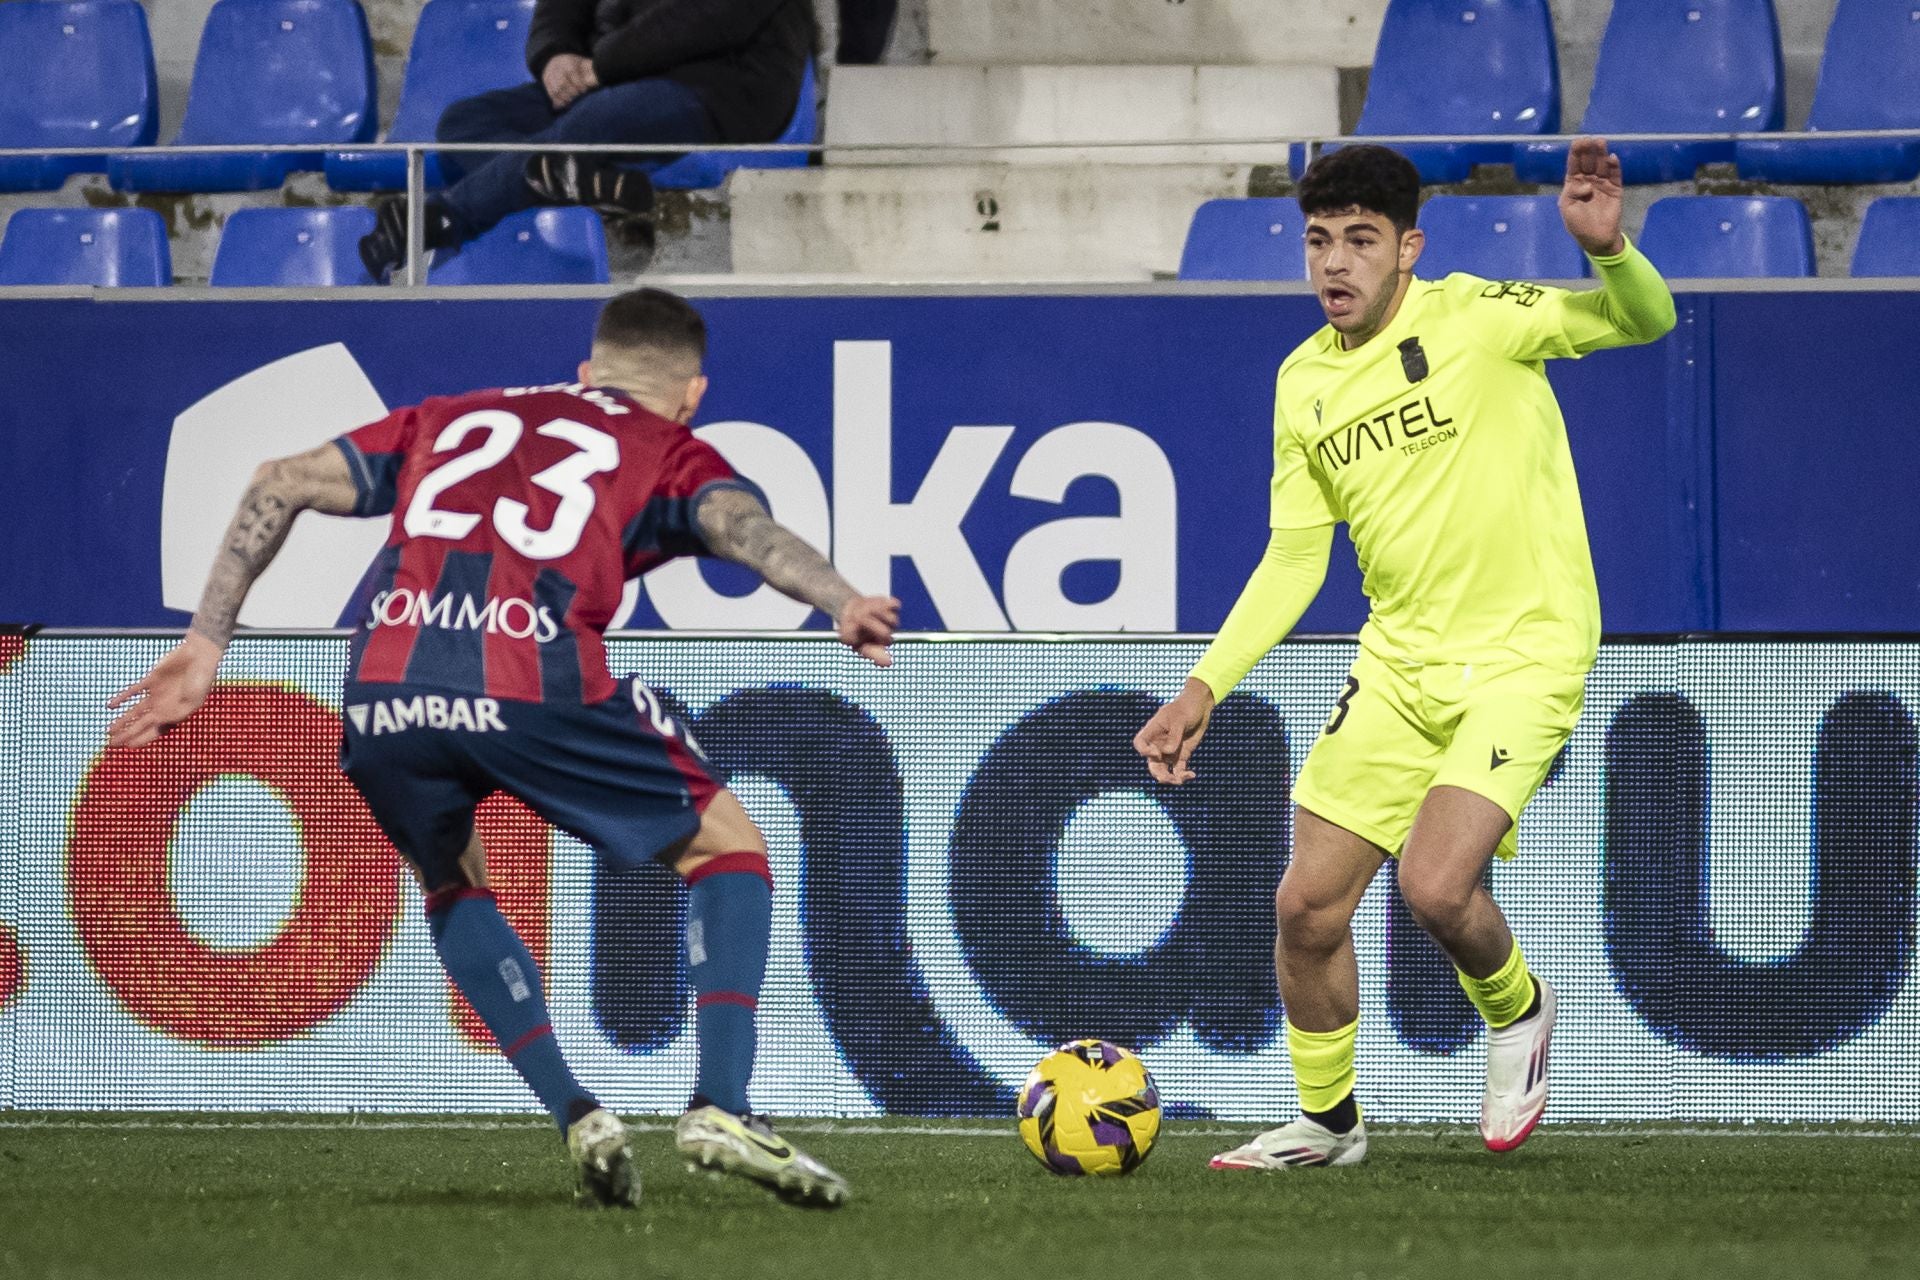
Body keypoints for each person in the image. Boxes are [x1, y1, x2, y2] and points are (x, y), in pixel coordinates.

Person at [105, 288, 896, 1209]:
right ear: (693, 393)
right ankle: (721, 1103)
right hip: (530, 670)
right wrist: (840, 600)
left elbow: (278, 480)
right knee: (728, 848)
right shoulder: (666, 448)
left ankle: (577, 1114)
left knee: (452, 878)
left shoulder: (450, 417)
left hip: (387, 684)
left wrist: (206, 646)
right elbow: (744, 531)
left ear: (585, 370)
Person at [1133, 139, 1675, 1168]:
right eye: (1318, 241)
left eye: (1361, 240)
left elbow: (1645, 320)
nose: (1335, 263)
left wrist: (1609, 252)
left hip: (1525, 651)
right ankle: (1328, 1125)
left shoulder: (1477, 316)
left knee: (1433, 886)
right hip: (1399, 663)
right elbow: (1296, 557)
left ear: (1408, 248)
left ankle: (1517, 1009)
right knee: (1306, 907)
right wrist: (1204, 686)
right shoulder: (1303, 382)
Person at [360, 0, 816, 281]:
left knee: (604, 115)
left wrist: (602, 66)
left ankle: (446, 216)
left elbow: (707, 18)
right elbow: (561, 11)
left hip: (719, 87)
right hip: (615, 78)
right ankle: (579, 182)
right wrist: (555, 55)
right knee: (466, 122)